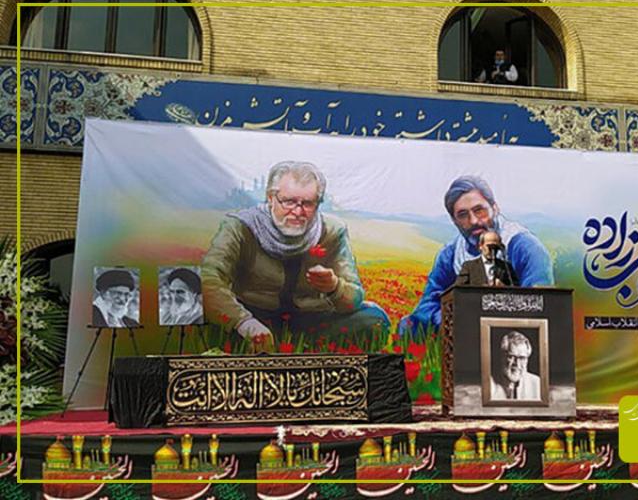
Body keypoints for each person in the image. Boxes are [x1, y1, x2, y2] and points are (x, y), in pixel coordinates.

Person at [202, 161, 388, 348]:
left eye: (308, 204)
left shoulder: (332, 231)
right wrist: (244, 323)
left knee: (375, 319)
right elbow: (210, 279)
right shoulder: (240, 227)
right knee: (208, 319)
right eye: (289, 202)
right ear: (270, 198)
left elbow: (354, 298)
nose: (298, 212)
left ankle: (300, 348)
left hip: (311, 319)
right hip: (254, 316)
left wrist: (334, 286)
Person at [400, 175, 553, 334]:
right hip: (463, 325)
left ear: (495, 208)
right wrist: (450, 319)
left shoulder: (525, 247)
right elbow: (428, 304)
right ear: (454, 220)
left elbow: (540, 302)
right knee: (407, 326)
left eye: (479, 210)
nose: (473, 221)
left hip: (512, 329)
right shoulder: (451, 254)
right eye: (463, 215)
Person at [490, 331, 540, 401]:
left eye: (522, 358)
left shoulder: (537, 384)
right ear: (502, 357)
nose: (517, 363)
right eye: (511, 357)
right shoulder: (489, 384)